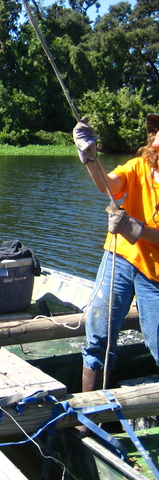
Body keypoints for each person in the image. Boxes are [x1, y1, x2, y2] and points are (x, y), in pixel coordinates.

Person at [73, 114, 159, 393]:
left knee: (158, 343)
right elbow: (107, 185)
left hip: (155, 274)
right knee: (98, 336)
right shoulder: (139, 166)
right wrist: (89, 156)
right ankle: (90, 417)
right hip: (120, 258)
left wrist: (136, 229)